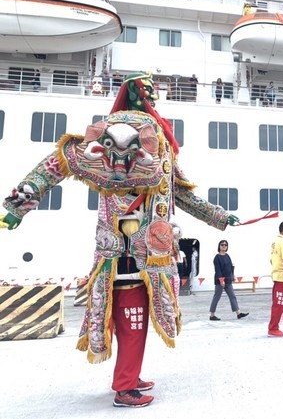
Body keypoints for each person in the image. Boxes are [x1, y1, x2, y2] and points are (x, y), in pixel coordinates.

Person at [0, 71, 240, 407]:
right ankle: (125, 388)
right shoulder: (139, 141)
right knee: (134, 324)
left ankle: (131, 375)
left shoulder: (162, 151)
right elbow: (60, 162)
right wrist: (17, 206)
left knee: (136, 326)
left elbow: (181, 196)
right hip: (127, 262)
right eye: (148, 93)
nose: (154, 99)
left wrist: (219, 216)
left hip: (145, 258)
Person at [209, 240, 249, 320]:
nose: (224, 246)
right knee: (216, 297)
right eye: (222, 244)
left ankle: (238, 313)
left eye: (225, 245)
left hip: (228, 279)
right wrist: (221, 280)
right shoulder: (217, 257)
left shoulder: (227, 256)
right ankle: (212, 315)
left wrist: (233, 275)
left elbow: (231, 266)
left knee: (232, 296)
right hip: (220, 281)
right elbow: (218, 270)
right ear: (219, 246)